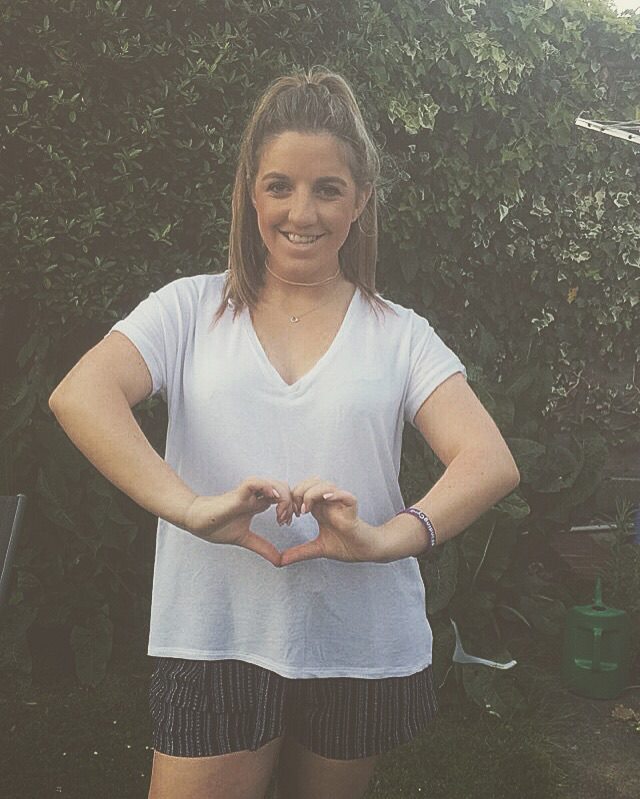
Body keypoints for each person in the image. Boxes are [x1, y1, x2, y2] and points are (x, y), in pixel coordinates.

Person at [49, 66, 520, 799]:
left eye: (328, 188)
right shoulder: (189, 310)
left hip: (355, 640)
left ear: (361, 199)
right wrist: (189, 508)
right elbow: (82, 394)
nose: (302, 211)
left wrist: (385, 539)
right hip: (213, 632)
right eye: (280, 186)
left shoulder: (399, 334)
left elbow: (488, 460)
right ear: (250, 192)